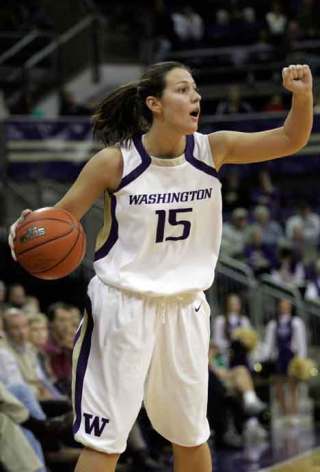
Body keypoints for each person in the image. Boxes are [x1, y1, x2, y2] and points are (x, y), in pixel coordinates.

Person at [9, 61, 313, 472]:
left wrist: (302, 95)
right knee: (105, 442)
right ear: (155, 103)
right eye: (184, 90)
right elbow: (59, 222)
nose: (197, 97)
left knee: (191, 437)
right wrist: (26, 232)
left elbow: (290, 139)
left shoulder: (212, 149)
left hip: (185, 308)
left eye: (196, 90)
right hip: (122, 308)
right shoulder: (115, 163)